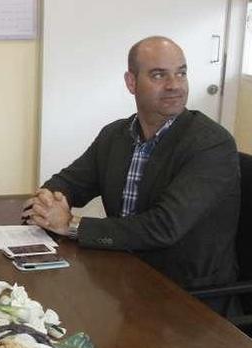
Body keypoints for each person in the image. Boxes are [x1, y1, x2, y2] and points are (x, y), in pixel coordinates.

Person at [24, 36, 239, 291]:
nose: (174, 85)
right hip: (124, 273)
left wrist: (70, 225)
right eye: (159, 75)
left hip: (187, 295)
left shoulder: (211, 144)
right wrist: (48, 201)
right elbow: (69, 182)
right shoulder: (116, 134)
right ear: (131, 82)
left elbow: (164, 226)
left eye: (181, 74)